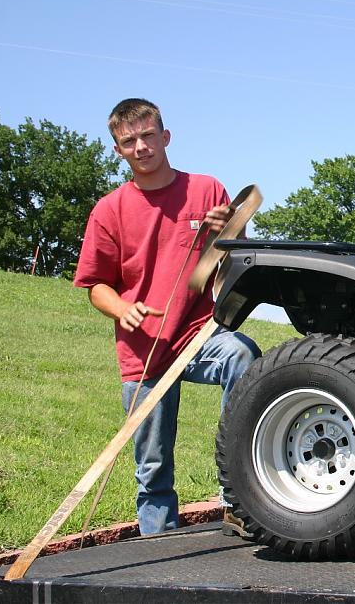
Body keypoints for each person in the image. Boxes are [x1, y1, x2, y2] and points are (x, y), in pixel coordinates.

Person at [74, 98, 260, 536]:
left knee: (241, 354)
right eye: (128, 141)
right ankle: (157, 544)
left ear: (166, 136)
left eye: (147, 135)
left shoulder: (206, 190)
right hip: (143, 351)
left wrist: (229, 231)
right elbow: (95, 285)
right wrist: (123, 308)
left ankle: (238, 499)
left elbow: (235, 262)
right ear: (118, 150)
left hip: (198, 335)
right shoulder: (110, 210)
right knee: (153, 465)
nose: (140, 146)